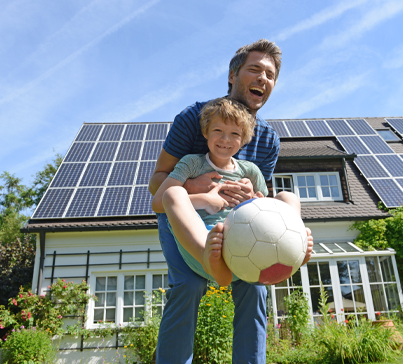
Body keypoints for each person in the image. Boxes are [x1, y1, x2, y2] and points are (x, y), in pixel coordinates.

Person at [148, 39, 313, 364]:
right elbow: (159, 185)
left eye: (270, 74)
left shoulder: (267, 140)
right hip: (187, 220)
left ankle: (294, 249)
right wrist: (196, 187)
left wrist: (254, 199)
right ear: (233, 75)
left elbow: (262, 202)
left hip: (240, 227)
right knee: (189, 285)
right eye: (255, 69)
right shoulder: (193, 117)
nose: (263, 78)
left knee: (255, 288)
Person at [151, 97, 301, 288]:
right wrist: (205, 200)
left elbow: (267, 209)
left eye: (234, 134)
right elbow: (158, 202)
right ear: (205, 132)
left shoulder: (250, 171)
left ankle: (295, 245)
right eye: (218, 131)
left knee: (288, 197)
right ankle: (208, 259)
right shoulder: (192, 163)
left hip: (244, 243)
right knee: (172, 194)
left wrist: (254, 200)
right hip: (205, 243)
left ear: (244, 139)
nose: (225, 139)